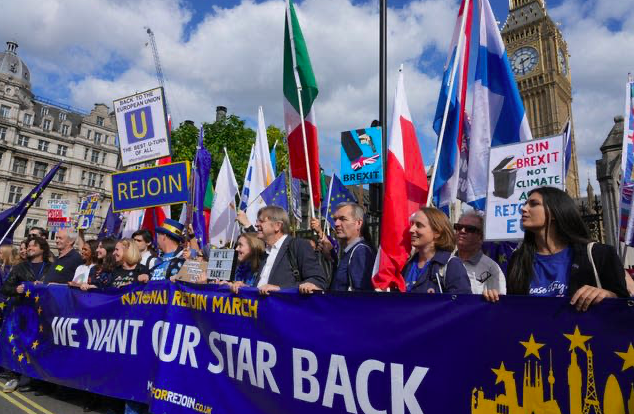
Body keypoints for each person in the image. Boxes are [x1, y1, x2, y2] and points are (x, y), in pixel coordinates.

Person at [485, 187, 629, 310]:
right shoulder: (518, 258)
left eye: (533, 204)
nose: (523, 208)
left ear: (554, 212)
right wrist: (496, 300)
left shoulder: (599, 254)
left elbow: (625, 304)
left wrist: (608, 295)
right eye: (525, 203)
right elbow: (516, 308)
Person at [302, 202, 375, 292]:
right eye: (335, 219)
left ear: (358, 223)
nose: (336, 224)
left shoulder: (361, 251)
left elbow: (359, 297)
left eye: (343, 219)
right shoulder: (350, 251)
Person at [254, 206, 327, 295]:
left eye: (261, 221)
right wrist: (244, 288)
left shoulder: (298, 245)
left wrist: (281, 289)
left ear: (277, 226)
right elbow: (261, 285)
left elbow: (317, 280)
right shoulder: (266, 252)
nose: (256, 224)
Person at [400, 207, 471, 294]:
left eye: (419, 225)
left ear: (437, 232)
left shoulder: (451, 265)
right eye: (412, 224)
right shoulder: (406, 264)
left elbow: (462, 305)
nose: (411, 230)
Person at [454, 211, 506, 295]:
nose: (462, 231)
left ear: (481, 237)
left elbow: (499, 302)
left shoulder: (492, 268)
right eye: (458, 227)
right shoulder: (444, 263)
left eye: (469, 229)